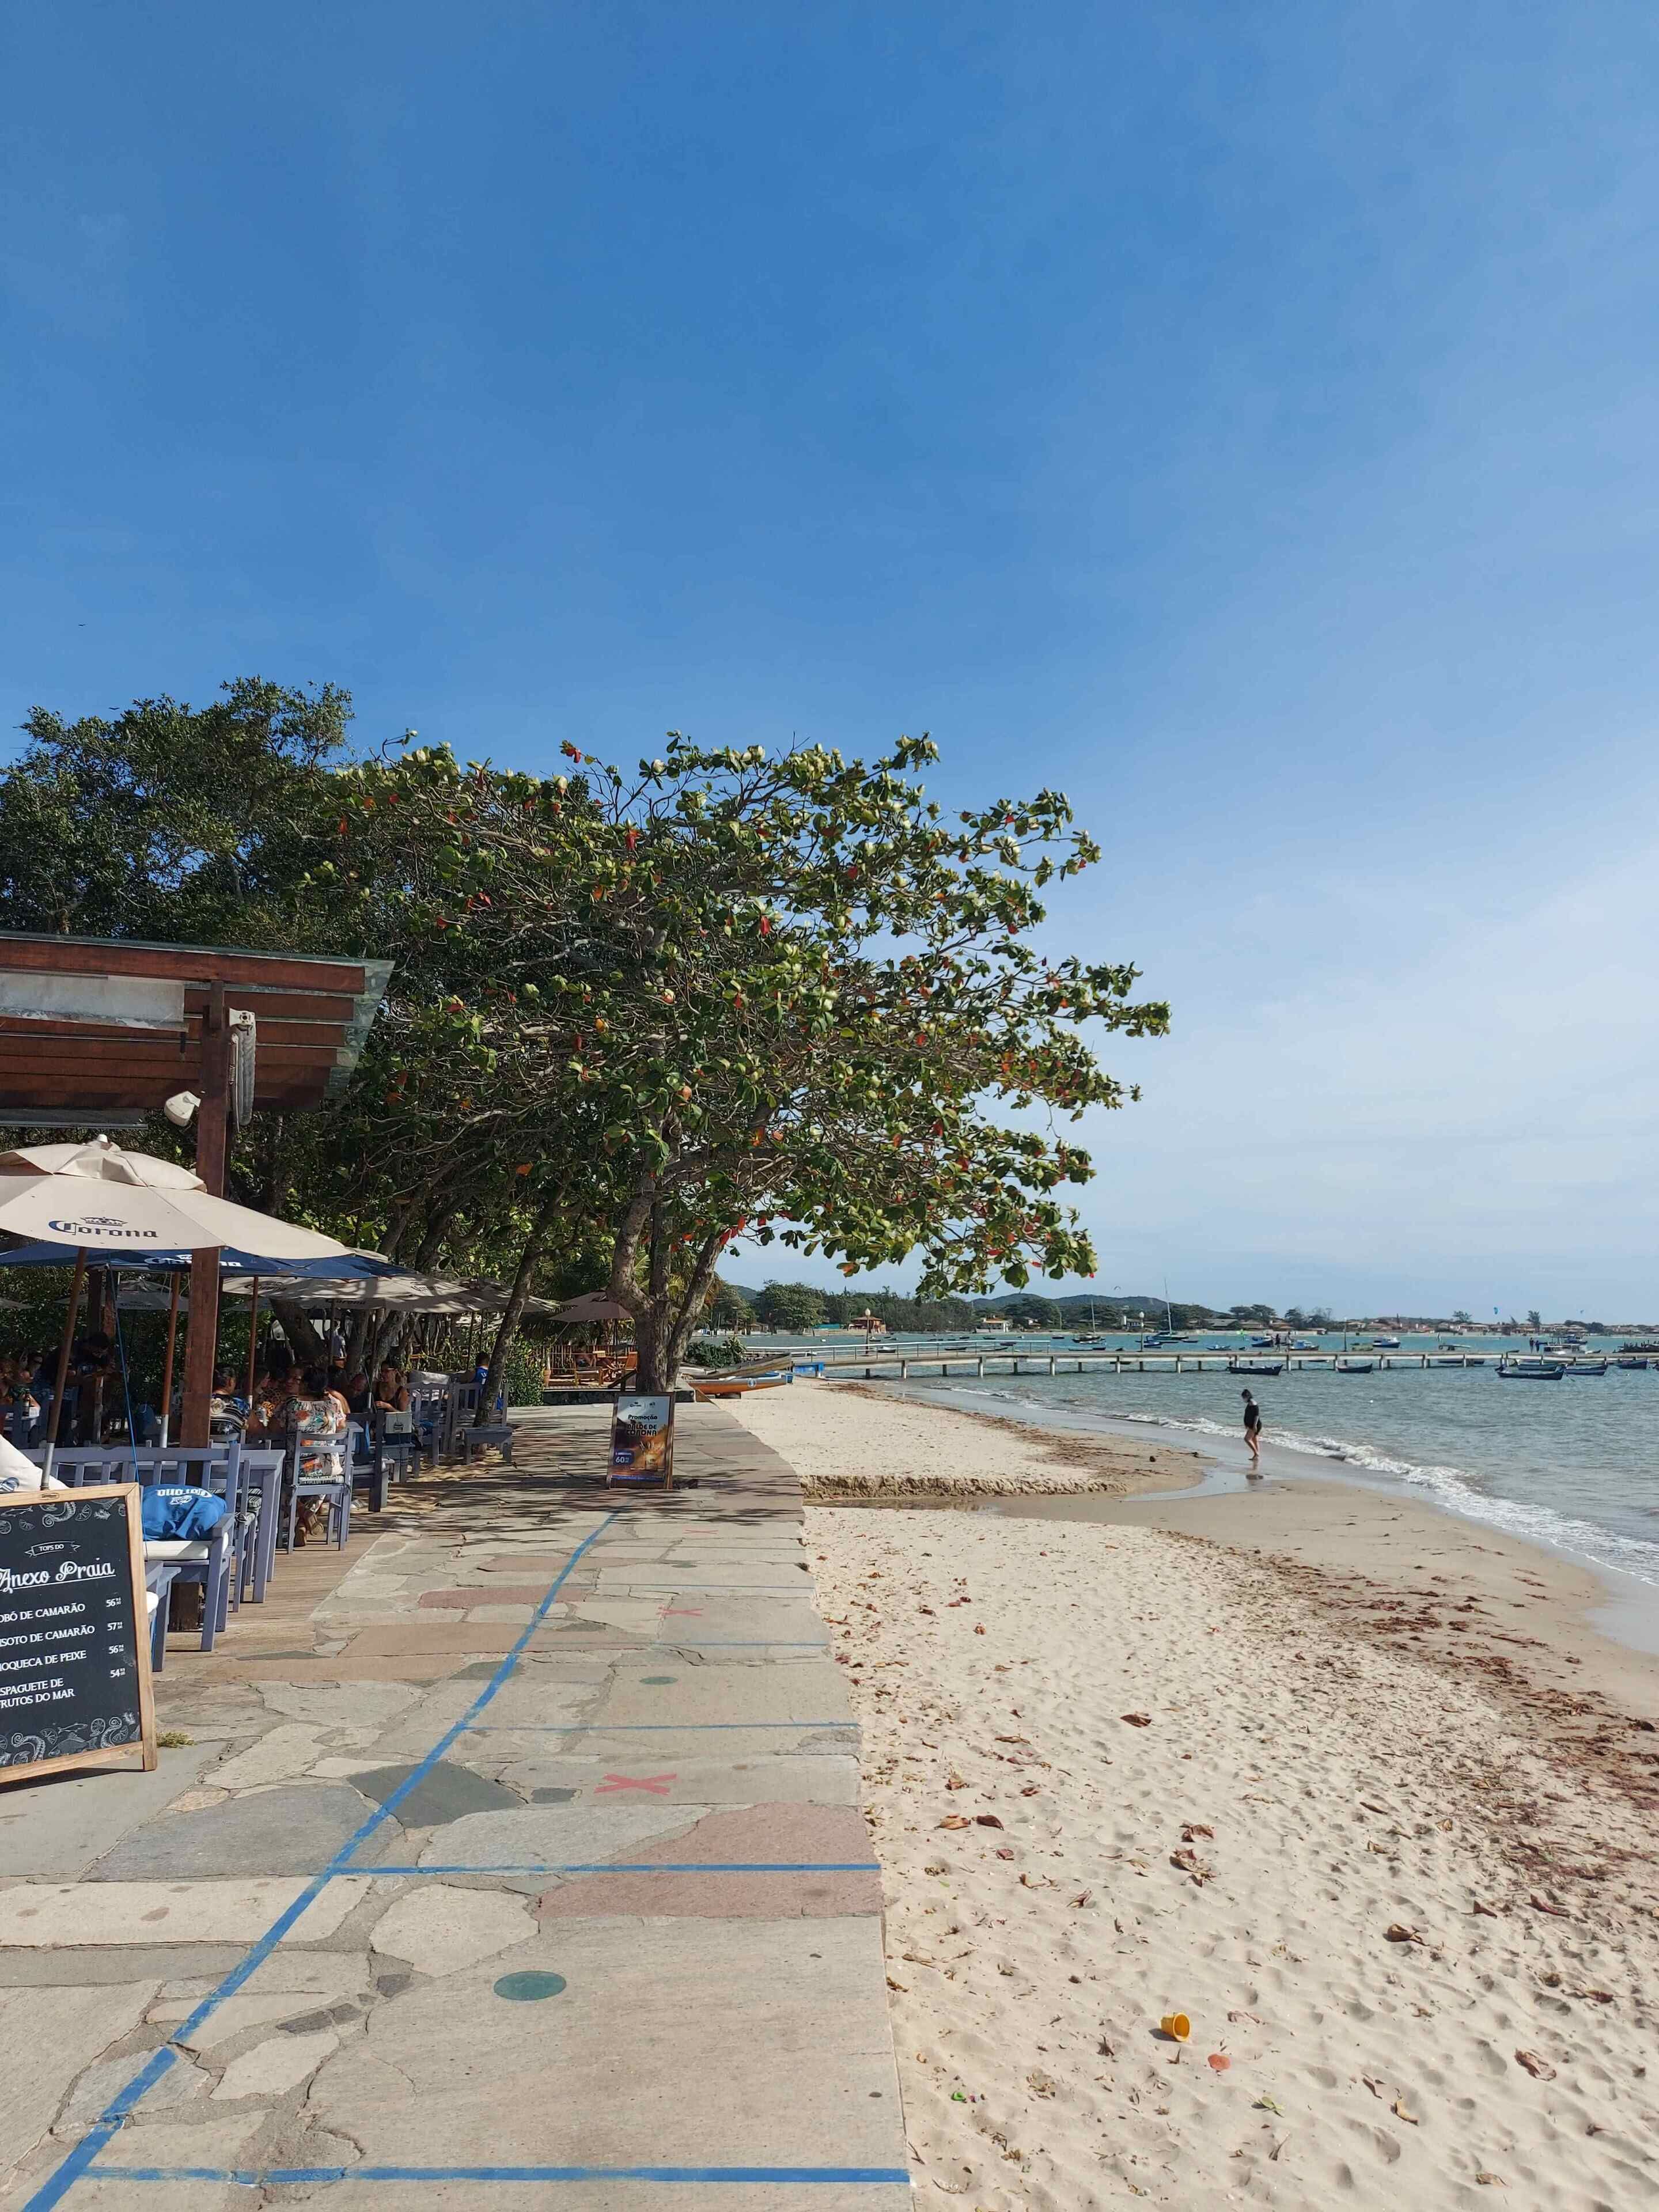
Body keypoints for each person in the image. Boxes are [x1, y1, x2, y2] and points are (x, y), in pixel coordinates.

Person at [1241, 1388, 1263, 1471]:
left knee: (1247, 1439)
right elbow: (1247, 1414)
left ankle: (1256, 1454)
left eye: (1244, 1398)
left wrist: (1254, 1426)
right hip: (1251, 1425)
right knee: (1254, 1439)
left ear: (1247, 1396)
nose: (1243, 1399)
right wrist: (1245, 1423)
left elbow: (1257, 1415)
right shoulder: (1249, 1403)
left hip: (1255, 1425)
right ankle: (1257, 1456)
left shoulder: (1253, 1403)